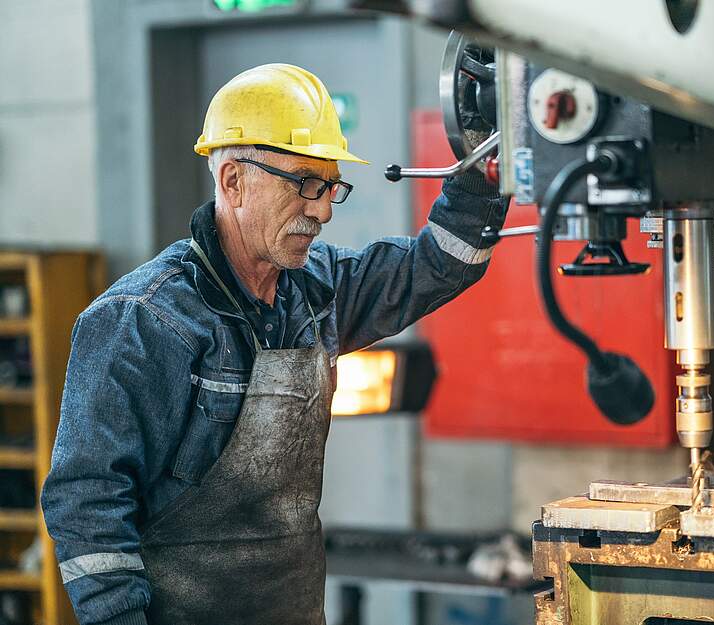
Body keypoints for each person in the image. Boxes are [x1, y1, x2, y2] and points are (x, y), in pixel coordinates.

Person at [41, 63, 507, 625]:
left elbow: (437, 266)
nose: (324, 210)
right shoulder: (141, 321)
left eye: (332, 186)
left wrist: (483, 158)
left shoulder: (318, 291)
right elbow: (86, 503)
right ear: (233, 180)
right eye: (306, 185)